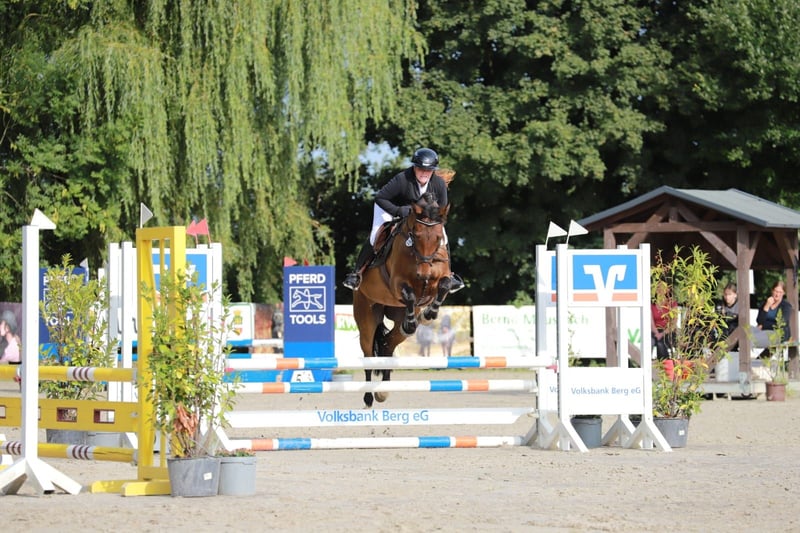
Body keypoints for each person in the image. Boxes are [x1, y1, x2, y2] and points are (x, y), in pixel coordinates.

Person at [343, 147, 464, 293]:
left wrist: (431, 221)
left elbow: (441, 211)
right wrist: (399, 211)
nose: (424, 173)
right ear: (414, 167)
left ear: (433, 170)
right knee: (375, 235)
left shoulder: (438, 183)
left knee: (443, 236)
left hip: (419, 217)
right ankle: (356, 274)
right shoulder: (402, 179)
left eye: (428, 170)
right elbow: (381, 198)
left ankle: (449, 275)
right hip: (390, 207)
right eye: (420, 169)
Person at [752, 280, 792, 348]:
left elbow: (781, 323)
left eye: (780, 292)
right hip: (763, 332)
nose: (777, 294)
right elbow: (759, 321)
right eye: (776, 291)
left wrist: (763, 325)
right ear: (772, 291)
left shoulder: (786, 306)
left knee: (752, 339)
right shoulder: (765, 303)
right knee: (746, 331)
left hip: (777, 334)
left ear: (783, 293)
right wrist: (766, 307)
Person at [651, 283, 676, 360]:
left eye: (663, 287)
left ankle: (665, 362)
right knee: (651, 341)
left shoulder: (672, 303)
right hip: (655, 331)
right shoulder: (651, 304)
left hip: (668, 331)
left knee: (661, 342)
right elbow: (651, 323)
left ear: (667, 290)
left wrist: (662, 334)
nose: (660, 290)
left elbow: (673, 323)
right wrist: (657, 333)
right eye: (658, 288)